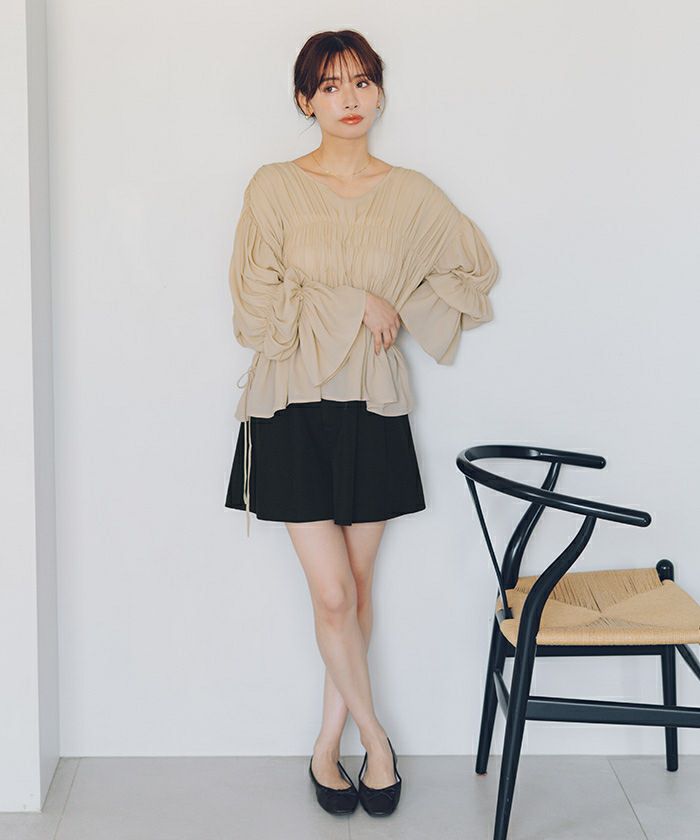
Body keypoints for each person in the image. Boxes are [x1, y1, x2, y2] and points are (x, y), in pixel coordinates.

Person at [224, 29, 499, 817]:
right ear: (304, 100)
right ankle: (376, 741)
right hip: (289, 407)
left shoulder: (410, 195)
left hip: (373, 406)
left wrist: (400, 308)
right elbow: (253, 305)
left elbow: (475, 271)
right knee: (335, 594)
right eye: (330, 85)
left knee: (356, 590)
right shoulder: (273, 187)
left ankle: (325, 744)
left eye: (362, 82)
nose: (349, 98)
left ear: (379, 93)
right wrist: (357, 304)